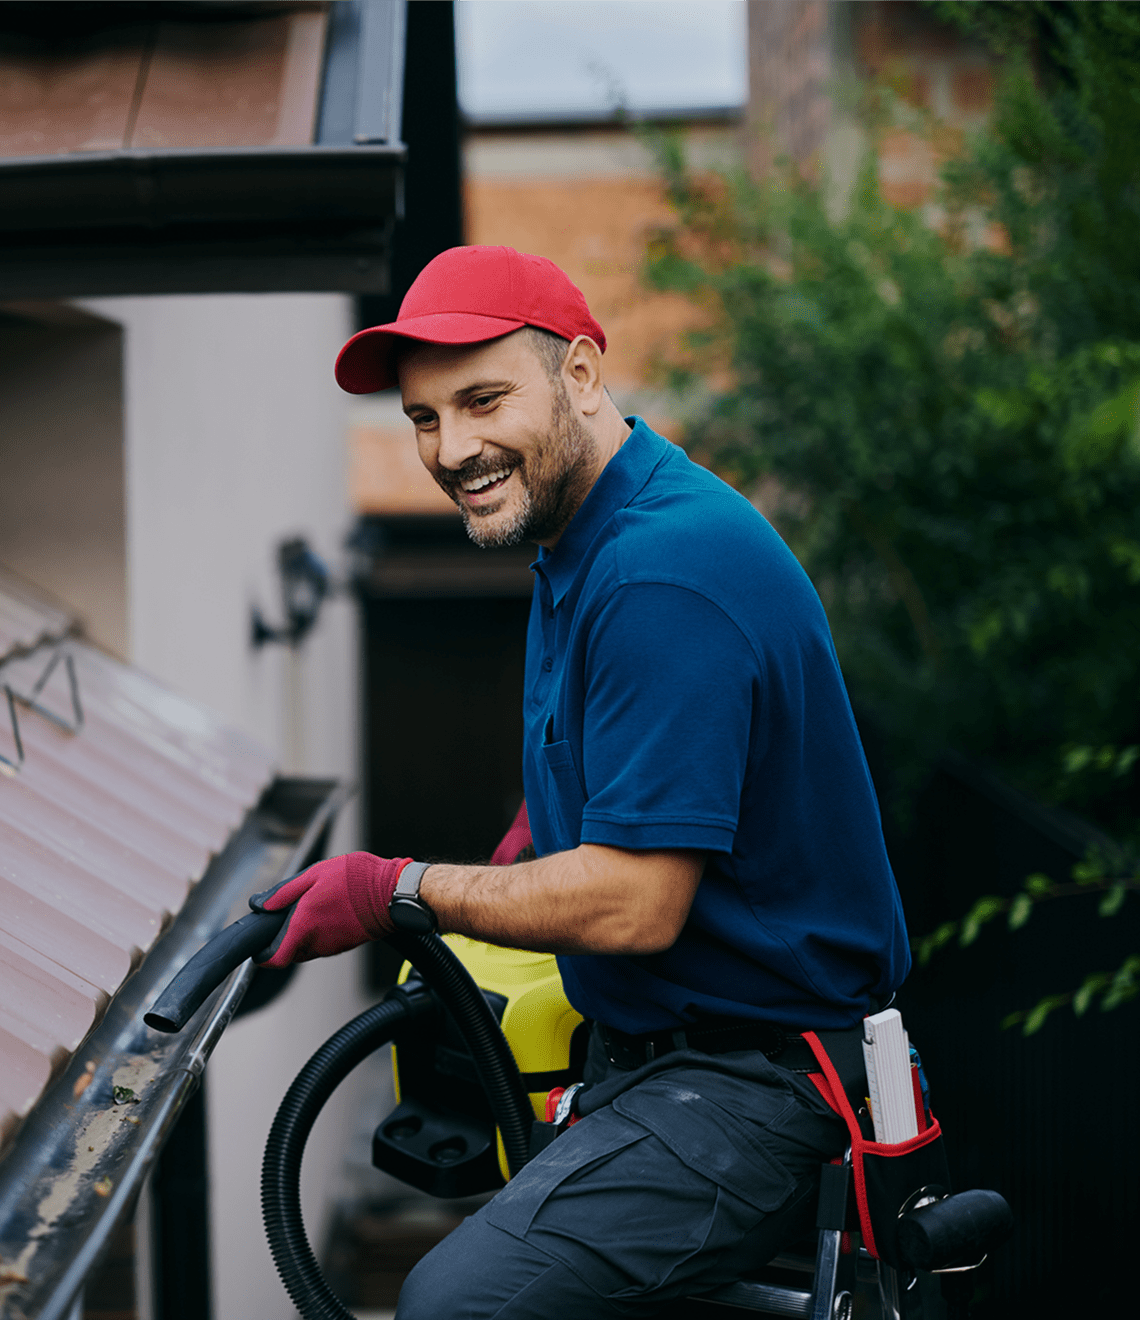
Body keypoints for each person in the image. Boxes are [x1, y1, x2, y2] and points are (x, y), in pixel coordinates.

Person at [252, 245, 911, 1317]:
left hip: (760, 1087)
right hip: (662, 1059)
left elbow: (637, 901)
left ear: (584, 375)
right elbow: (608, 767)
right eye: (424, 418)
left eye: (483, 399)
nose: (453, 447)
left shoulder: (662, 572)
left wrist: (396, 890)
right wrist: (518, 848)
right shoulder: (584, 540)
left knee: (455, 1305)